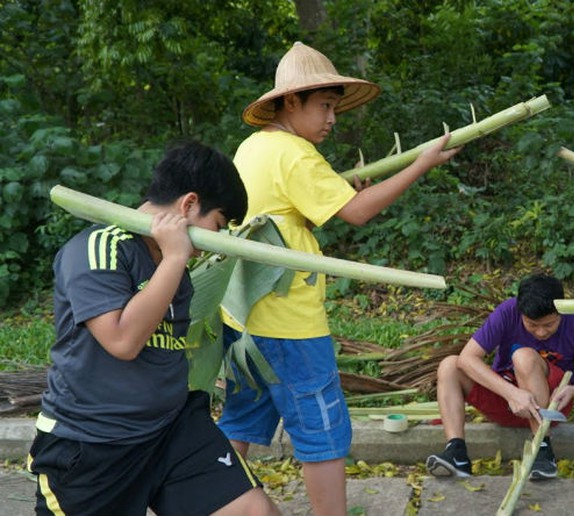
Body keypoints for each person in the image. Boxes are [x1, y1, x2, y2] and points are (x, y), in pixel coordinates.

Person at [217, 42, 463, 516]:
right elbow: (357, 213)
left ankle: (214, 503)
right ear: (292, 102)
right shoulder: (297, 154)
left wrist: (330, 203)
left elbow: (280, 219)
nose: (332, 118)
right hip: (289, 323)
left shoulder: (253, 147)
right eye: (325, 106)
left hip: (244, 316)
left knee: (242, 421)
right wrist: (421, 164)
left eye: (334, 106)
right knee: (322, 430)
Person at [27, 141, 280, 516]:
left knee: (254, 511)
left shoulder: (171, 264)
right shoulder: (98, 247)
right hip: (92, 446)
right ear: (189, 204)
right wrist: (176, 257)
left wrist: (174, 260)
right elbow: (122, 340)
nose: (212, 242)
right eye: (218, 225)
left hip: (171, 432)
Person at [425, 274, 574, 480]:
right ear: (521, 312)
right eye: (532, 325)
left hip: (551, 407)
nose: (541, 332)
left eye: (549, 325)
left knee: (523, 356)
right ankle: (457, 453)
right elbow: (467, 358)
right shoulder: (508, 311)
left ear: (560, 312)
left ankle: (542, 450)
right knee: (449, 365)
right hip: (508, 403)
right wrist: (512, 394)